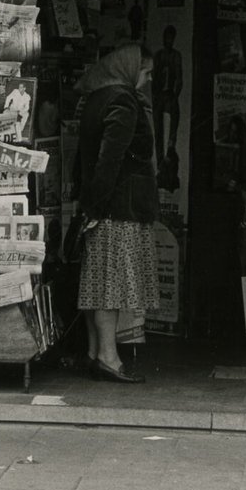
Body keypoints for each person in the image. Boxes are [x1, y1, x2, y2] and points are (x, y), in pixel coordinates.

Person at [73, 43, 158, 384]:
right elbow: (111, 158)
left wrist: (88, 204)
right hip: (118, 208)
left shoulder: (96, 98)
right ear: (128, 69)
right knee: (111, 287)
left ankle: (96, 352)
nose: (148, 79)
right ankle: (109, 357)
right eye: (146, 72)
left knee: (98, 283)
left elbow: (88, 158)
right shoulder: (123, 100)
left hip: (102, 206)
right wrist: (98, 205)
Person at [152, 25, 183, 166]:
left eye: (171, 38)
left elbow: (179, 78)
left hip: (170, 94)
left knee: (175, 116)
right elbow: (154, 77)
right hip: (159, 95)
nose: (168, 40)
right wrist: (155, 97)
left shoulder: (176, 56)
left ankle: (171, 148)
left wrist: (175, 96)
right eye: (167, 37)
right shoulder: (158, 55)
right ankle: (159, 160)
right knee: (158, 128)